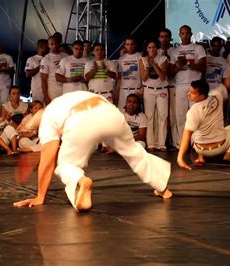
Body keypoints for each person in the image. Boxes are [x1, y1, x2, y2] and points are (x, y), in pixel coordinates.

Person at [13, 91, 173, 211]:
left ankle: (81, 182)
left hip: (80, 119)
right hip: (110, 113)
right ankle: (163, 189)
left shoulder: (46, 119)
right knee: (133, 151)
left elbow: (48, 161)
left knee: (65, 165)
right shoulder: (63, 100)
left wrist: (40, 196)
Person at [169, 25, 207, 146]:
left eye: (187, 33)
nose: (185, 35)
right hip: (180, 85)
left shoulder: (198, 48)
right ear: (179, 35)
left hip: (194, 85)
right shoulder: (174, 51)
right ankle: (183, 143)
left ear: (191, 34)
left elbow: (203, 67)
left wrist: (189, 64)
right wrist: (178, 66)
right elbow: (169, 73)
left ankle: (196, 143)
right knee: (181, 116)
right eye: (182, 33)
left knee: (195, 116)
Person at [139, 40, 169, 152]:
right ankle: (151, 143)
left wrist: (154, 64)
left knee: (163, 116)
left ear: (157, 48)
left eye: (154, 47)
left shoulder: (163, 59)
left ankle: (161, 144)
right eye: (149, 47)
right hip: (149, 90)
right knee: (149, 116)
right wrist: (148, 65)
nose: (152, 50)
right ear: (146, 49)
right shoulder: (142, 59)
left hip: (162, 90)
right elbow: (144, 78)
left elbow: (162, 76)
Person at [116, 35, 143, 109]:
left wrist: (142, 89)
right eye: (127, 44)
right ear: (125, 45)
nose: (130, 46)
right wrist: (117, 93)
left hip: (136, 90)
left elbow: (142, 75)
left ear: (135, 45)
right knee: (122, 114)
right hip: (123, 91)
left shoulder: (140, 56)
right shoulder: (121, 58)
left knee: (136, 114)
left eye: (132, 44)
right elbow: (119, 78)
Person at [40, 36, 68, 104]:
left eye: (56, 43)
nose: (54, 46)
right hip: (53, 91)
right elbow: (43, 80)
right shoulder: (46, 59)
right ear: (48, 45)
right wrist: (46, 97)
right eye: (52, 44)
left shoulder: (66, 56)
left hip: (66, 89)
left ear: (59, 43)